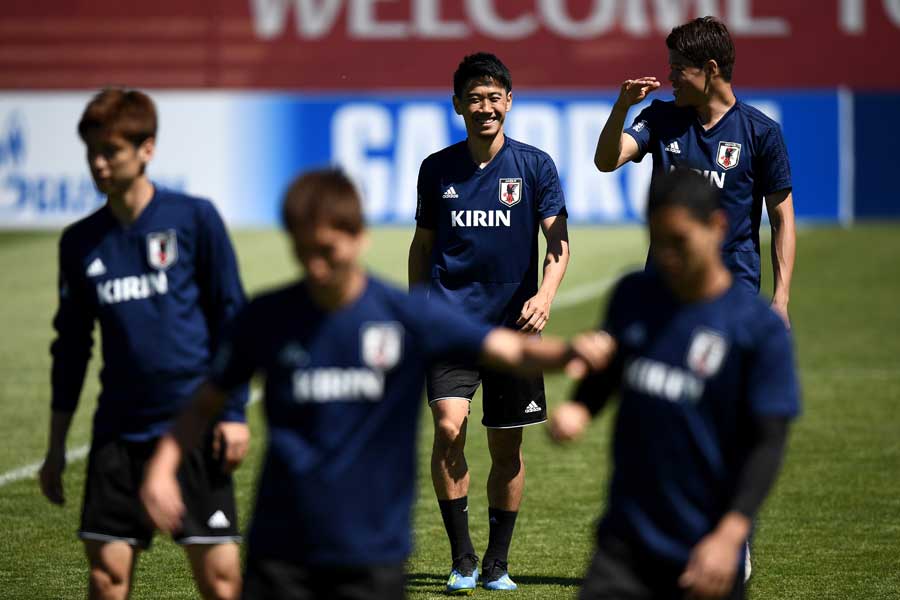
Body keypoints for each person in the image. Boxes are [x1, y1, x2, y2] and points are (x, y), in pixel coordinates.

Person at [140, 169, 597, 600]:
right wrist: (162, 468)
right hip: (280, 546)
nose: (316, 268)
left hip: (373, 553)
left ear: (360, 237)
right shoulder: (266, 317)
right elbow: (204, 404)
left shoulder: (402, 314)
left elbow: (508, 349)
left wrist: (571, 352)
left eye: (328, 251)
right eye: (303, 253)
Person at [549, 169, 801, 600]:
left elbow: (767, 443)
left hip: (706, 548)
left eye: (679, 241)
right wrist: (582, 406)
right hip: (623, 544)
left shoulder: (756, 329)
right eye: (657, 240)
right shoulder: (634, 294)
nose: (666, 255)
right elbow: (614, 364)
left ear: (717, 227)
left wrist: (730, 535)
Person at [38, 88, 249, 600]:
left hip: (194, 427)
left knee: (221, 582)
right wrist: (56, 445)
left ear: (147, 149)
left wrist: (235, 413)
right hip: (118, 434)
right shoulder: (79, 241)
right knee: (107, 580)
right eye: (91, 152)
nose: (98, 163)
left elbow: (232, 317)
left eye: (111, 151)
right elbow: (70, 348)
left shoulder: (195, 218)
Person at [408, 51, 570, 593]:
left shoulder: (536, 166)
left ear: (508, 102)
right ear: (458, 105)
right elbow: (422, 246)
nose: (485, 107)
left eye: (494, 98)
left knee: (507, 450)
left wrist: (545, 295)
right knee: (448, 430)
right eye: (474, 98)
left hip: (515, 334)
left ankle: (497, 563)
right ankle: (462, 558)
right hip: (451, 328)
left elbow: (558, 241)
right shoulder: (436, 169)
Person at [594, 16, 796, 327]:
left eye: (678, 68)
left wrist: (780, 299)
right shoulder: (661, 118)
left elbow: (783, 219)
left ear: (711, 69)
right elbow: (607, 161)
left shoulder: (761, 132)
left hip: (733, 285)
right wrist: (621, 108)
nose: (670, 76)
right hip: (664, 284)